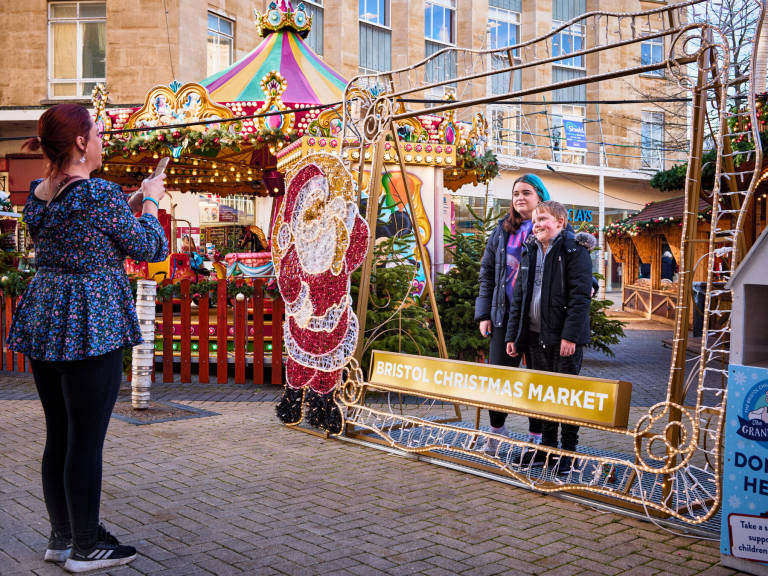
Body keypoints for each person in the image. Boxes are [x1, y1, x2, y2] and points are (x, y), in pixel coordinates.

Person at [7, 103, 168, 572]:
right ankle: (85, 547)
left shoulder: (40, 195)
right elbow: (150, 247)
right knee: (86, 441)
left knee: (59, 435)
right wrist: (152, 200)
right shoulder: (98, 195)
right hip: (89, 323)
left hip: (46, 318)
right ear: (80, 142)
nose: (101, 140)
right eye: (97, 133)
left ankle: (62, 537)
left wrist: (130, 202)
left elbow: (82, 224)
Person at [505, 200, 594, 474]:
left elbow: (580, 298)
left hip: (563, 340)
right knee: (543, 396)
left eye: (543, 219)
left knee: (565, 397)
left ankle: (568, 453)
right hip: (534, 337)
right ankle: (546, 449)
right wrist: (513, 336)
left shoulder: (575, 251)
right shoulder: (530, 249)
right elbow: (519, 297)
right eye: (535, 220)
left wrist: (570, 336)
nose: (537, 225)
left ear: (560, 222)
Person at [474, 174, 550, 454]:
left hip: (537, 319)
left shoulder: (551, 226)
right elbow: (487, 273)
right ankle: (497, 432)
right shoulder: (502, 230)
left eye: (526, 192)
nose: (520, 197)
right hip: (504, 317)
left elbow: (571, 262)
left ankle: (536, 437)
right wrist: (484, 314)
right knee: (499, 379)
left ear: (540, 196)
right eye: (516, 193)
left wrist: (590, 285)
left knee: (537, 381)